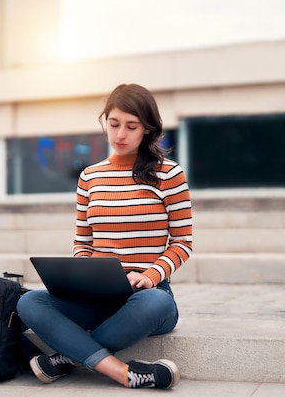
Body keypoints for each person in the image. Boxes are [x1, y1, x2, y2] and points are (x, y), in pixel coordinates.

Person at [16, 83, 193, 389]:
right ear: (105, 122)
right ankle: (125, 374)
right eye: (113, 124)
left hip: (148, 297)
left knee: (156, 303)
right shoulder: (90, 177)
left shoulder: (169, 174)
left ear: (147, 129)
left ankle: (65, 358)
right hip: (97, 299)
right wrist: (81, 273)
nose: (120, 134)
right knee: (30, 302)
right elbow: (83, 243)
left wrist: (151, 275)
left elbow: (182, 243)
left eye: (131, 126)